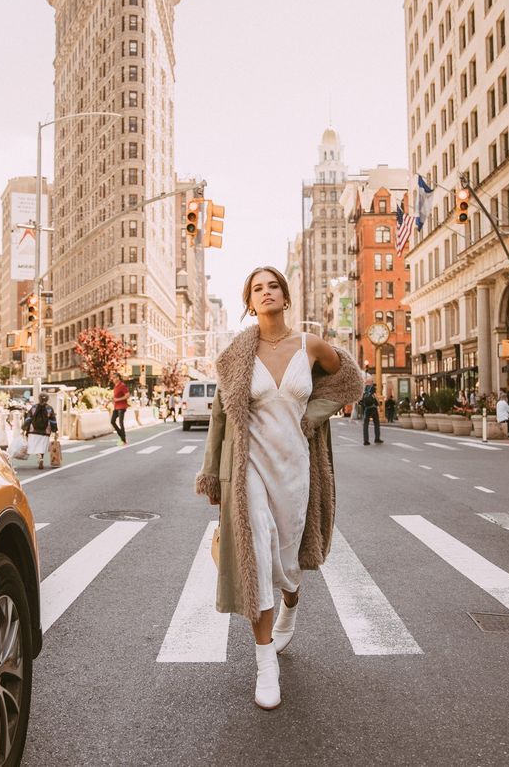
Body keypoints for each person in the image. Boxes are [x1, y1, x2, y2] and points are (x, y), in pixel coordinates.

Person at [195, 266, 362, 710]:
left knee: (287, 561)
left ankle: (292, 599)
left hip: (295, 467)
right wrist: (212, 472)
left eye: (273, 286)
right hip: (248, 465)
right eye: (257, 289)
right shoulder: (236, 355)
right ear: (250, 303)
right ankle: (264, 660)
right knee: (257, 555)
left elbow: (348, 380)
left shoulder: (310, 345)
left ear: (285, 297)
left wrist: (314, 415)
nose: (265, 293)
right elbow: (220, 417)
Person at [23, 392, 58, 470]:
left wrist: (24, 428)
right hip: (45, 431)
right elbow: (53, 421)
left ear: (39, 399)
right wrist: (55, 431)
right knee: (42, 446)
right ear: (48, 399)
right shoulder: (49, 408)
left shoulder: (34, 407)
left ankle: (38, 457)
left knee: (35, 445)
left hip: (33, 430)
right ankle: (41, 457)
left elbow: (28, 419)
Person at [111, 373, 130, 445]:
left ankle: (123, 440)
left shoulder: (122, 385)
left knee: (120, 423)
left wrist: (117, 399)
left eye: (114, 377)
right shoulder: (115, 386)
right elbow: (115, 397)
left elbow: (127, 395)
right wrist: (111, 401)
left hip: (122, 407)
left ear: (118, 378)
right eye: (112, 378)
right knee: (112, 421)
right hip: (116, 407)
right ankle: (122, 437)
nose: (113, 379)